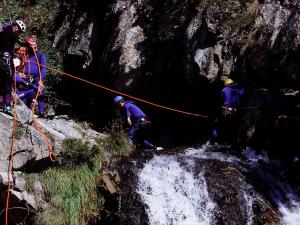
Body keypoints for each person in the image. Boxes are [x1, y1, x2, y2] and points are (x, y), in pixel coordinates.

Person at [0, 20, 26, 114]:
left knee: (1, 82)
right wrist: (27, 44)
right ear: (15, 26)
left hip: (1, 59)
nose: (18, 33)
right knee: (8, 82)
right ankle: (7, 105)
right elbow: (20, 41)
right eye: (19, 30)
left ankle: (1, 103)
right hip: (6, 61)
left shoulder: (3, 32)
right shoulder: (10, 32)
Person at [212, 78, 246, 145]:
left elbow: (221, 99)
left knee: (219, 125)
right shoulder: (240, 89)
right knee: (232, 126)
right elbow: (244, 94)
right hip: (235, 112)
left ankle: (216, 140)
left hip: (226, 110)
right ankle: (230, 141)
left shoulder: (225, 89)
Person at [23, 36, 47, 118]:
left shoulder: (40, 55)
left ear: (36, 44)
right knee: (29, 93)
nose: (32, 44)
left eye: (34, 42)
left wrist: (41, 80)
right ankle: (28, 111)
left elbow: (43, 69)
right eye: (31, 43)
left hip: (36, 78)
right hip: (26, 76)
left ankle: (41, 112)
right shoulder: (26, 54)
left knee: (39, 91)